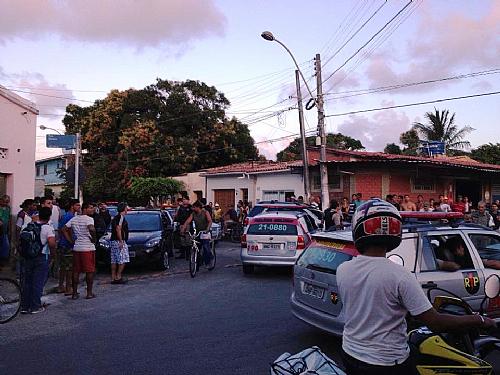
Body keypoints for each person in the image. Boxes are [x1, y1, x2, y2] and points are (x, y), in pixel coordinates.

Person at [337, 199, 497, 374]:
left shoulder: (343, 269)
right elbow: (436, 323)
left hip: (350, 352)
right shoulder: (399, 275)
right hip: (387, 362)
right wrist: (479, 320)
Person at [20, 207, 56, 314]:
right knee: (38, 283)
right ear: (49, 216)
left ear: (39, 215)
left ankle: (25, 306)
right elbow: (52, 243)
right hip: (41, 257)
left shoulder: (29, 226)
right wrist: (53, 255)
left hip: (28, 257)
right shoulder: (47, 228)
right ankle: (35, 306)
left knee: (27, 282)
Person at [62, 202, 97, 300]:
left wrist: (71, 240)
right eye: (90, 208)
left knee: (76, 271)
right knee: (89, 271)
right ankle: (89, 292)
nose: (92, 210)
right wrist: (94, 239)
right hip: (87, 247)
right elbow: (92, 229)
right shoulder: (89, 219)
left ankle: (74, 293)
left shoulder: (74, 219)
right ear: (85, 209)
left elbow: (64, 229)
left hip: (77, 247)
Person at [57, 199, 80, 295]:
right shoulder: (70, 217)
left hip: (63, 244)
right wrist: (71, 241)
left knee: (63, 266)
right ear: (72, 206)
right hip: (67, 245)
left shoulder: (66, 216)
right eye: (77, 205)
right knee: (69, 267)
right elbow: (64, 230)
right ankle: (68, 288)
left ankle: (61, 286)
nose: (79, 207)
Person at [181, 201, 213, 266]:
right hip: (198, 232)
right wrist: (183, 229)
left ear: (198, 207)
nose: (193, 208)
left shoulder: (205, 212)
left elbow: (210, 221)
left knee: (206, 247)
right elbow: (187, 221)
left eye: (194, 207)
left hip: (205, 233)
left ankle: (208, 261)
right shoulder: (193, 214)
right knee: (196, 246)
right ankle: (198, 262)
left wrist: (207, 229)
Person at [110, 202, 130, 284]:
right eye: (126, 208)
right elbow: (118, 229)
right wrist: (121, 241)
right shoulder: (121, 218)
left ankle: (113, 277)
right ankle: (118, 276)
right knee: (123, 259)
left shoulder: (115, 218)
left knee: (114, 259)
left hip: (113, 240)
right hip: (118, 241)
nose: (127, 209)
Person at [0, 195, 11, 263]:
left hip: (5, 231)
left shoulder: (8, 208)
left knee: (5, 245)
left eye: (7, 202)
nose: (5, 203)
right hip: (0, 230)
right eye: (4, 202)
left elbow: (9, 219)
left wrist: (9, 229)